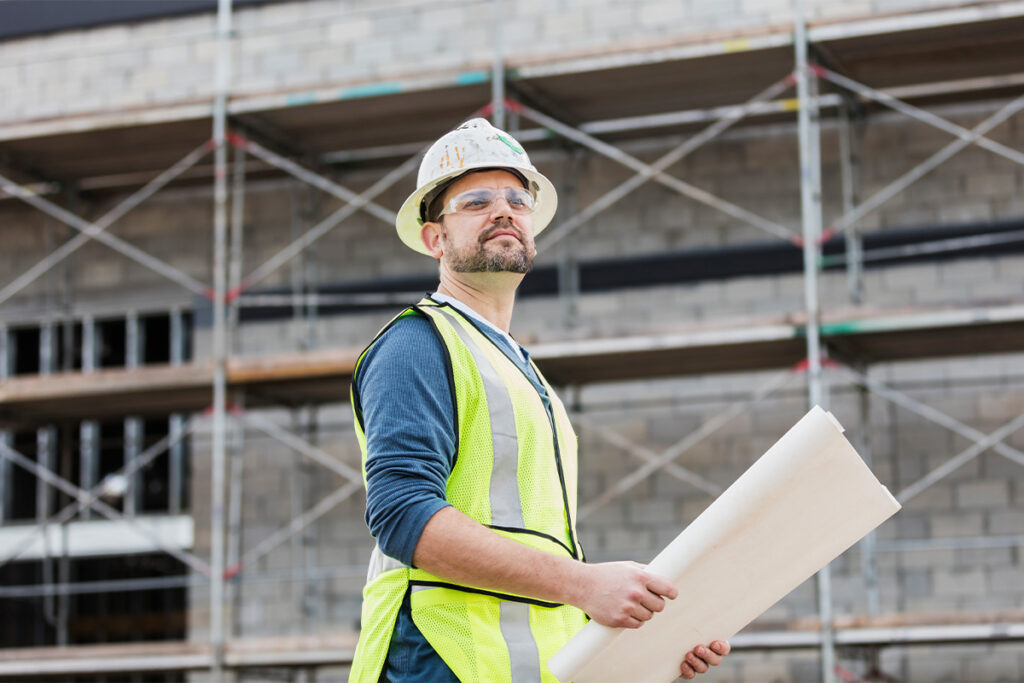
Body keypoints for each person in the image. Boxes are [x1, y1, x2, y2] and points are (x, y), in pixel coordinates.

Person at [349, 118, 730, 682]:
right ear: (435, 238)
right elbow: (403, 515)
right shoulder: (417, 344)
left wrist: (646, 644)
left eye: (517, 200)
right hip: (437, 660)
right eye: (475, 201)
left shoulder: (522, 373)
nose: (503, 211)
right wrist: (586, 583)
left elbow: (544, 564)